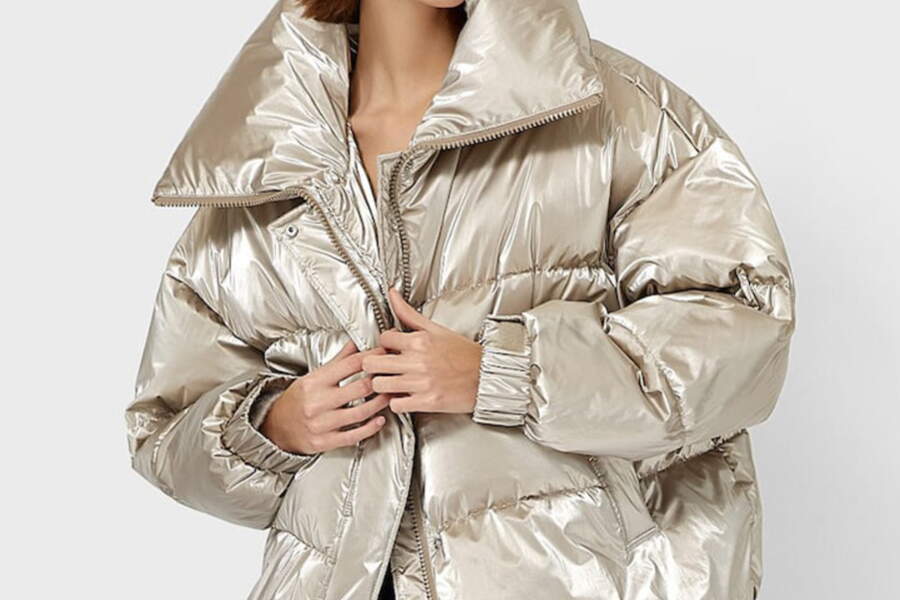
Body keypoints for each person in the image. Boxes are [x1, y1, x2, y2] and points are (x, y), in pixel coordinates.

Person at [125, 0, 797, 598]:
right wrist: (275, 426)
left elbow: (740, 329)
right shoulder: (265, 162)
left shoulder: (611, 112)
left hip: (570, 574)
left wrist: (503, 374)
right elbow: (166, 424)